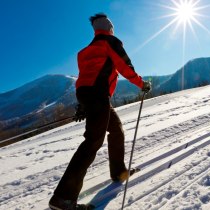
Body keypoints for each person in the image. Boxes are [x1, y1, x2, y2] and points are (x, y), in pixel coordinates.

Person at [49, 13, 151, 210]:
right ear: (109, 28)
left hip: (89, 95)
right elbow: (125, 66)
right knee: (93, 141)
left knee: (116, 129)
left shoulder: (85, 51)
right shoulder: (110, 42)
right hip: (98, 96)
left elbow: (86, 79)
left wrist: (82, 105)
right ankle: (63, 198)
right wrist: (142, 84)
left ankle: (118, 172)